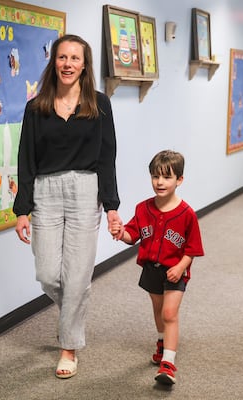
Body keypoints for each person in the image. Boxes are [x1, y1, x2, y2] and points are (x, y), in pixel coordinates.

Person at [13, 34, 123, 379]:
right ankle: (72, 316)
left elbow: (108, 158)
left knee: (77, 276)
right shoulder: (36, 107)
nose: (68, 64)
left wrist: (112, 207)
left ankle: (68, 348)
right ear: (54, 62)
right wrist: (21, 210)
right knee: (47, 273)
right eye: (62, 57)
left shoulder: (99, 104)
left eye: (75, 58)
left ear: (85, 64)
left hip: (84, 190)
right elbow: (25, 160)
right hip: (46, 190)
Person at [110, 150, 204, 385]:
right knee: (158, 309)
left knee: (170, 313)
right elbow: (134, 235)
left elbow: (193, 249)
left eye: (167, 177)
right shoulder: (143, 208)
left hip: (176, 270)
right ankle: (162, 341)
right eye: (155, 176)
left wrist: (181, 267)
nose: (160, 182)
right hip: (151, 268)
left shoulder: (187, 214)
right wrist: (121, 233)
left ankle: (168, 363)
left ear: (179, 180)